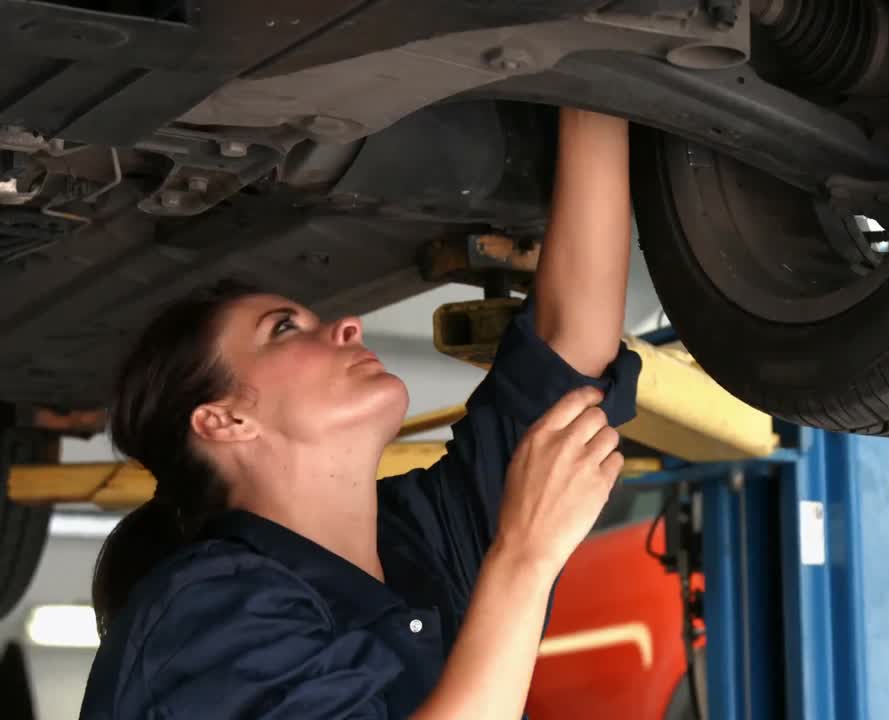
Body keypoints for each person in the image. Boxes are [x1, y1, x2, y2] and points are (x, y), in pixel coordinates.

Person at [80, 107, 639, 719]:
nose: (347, 325)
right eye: (287, 328)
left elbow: (568, 347)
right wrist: (524, 559)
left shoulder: (419, 542)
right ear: (223, 421)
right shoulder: (209, 610)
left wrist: (595, 90)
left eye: (293, 324)